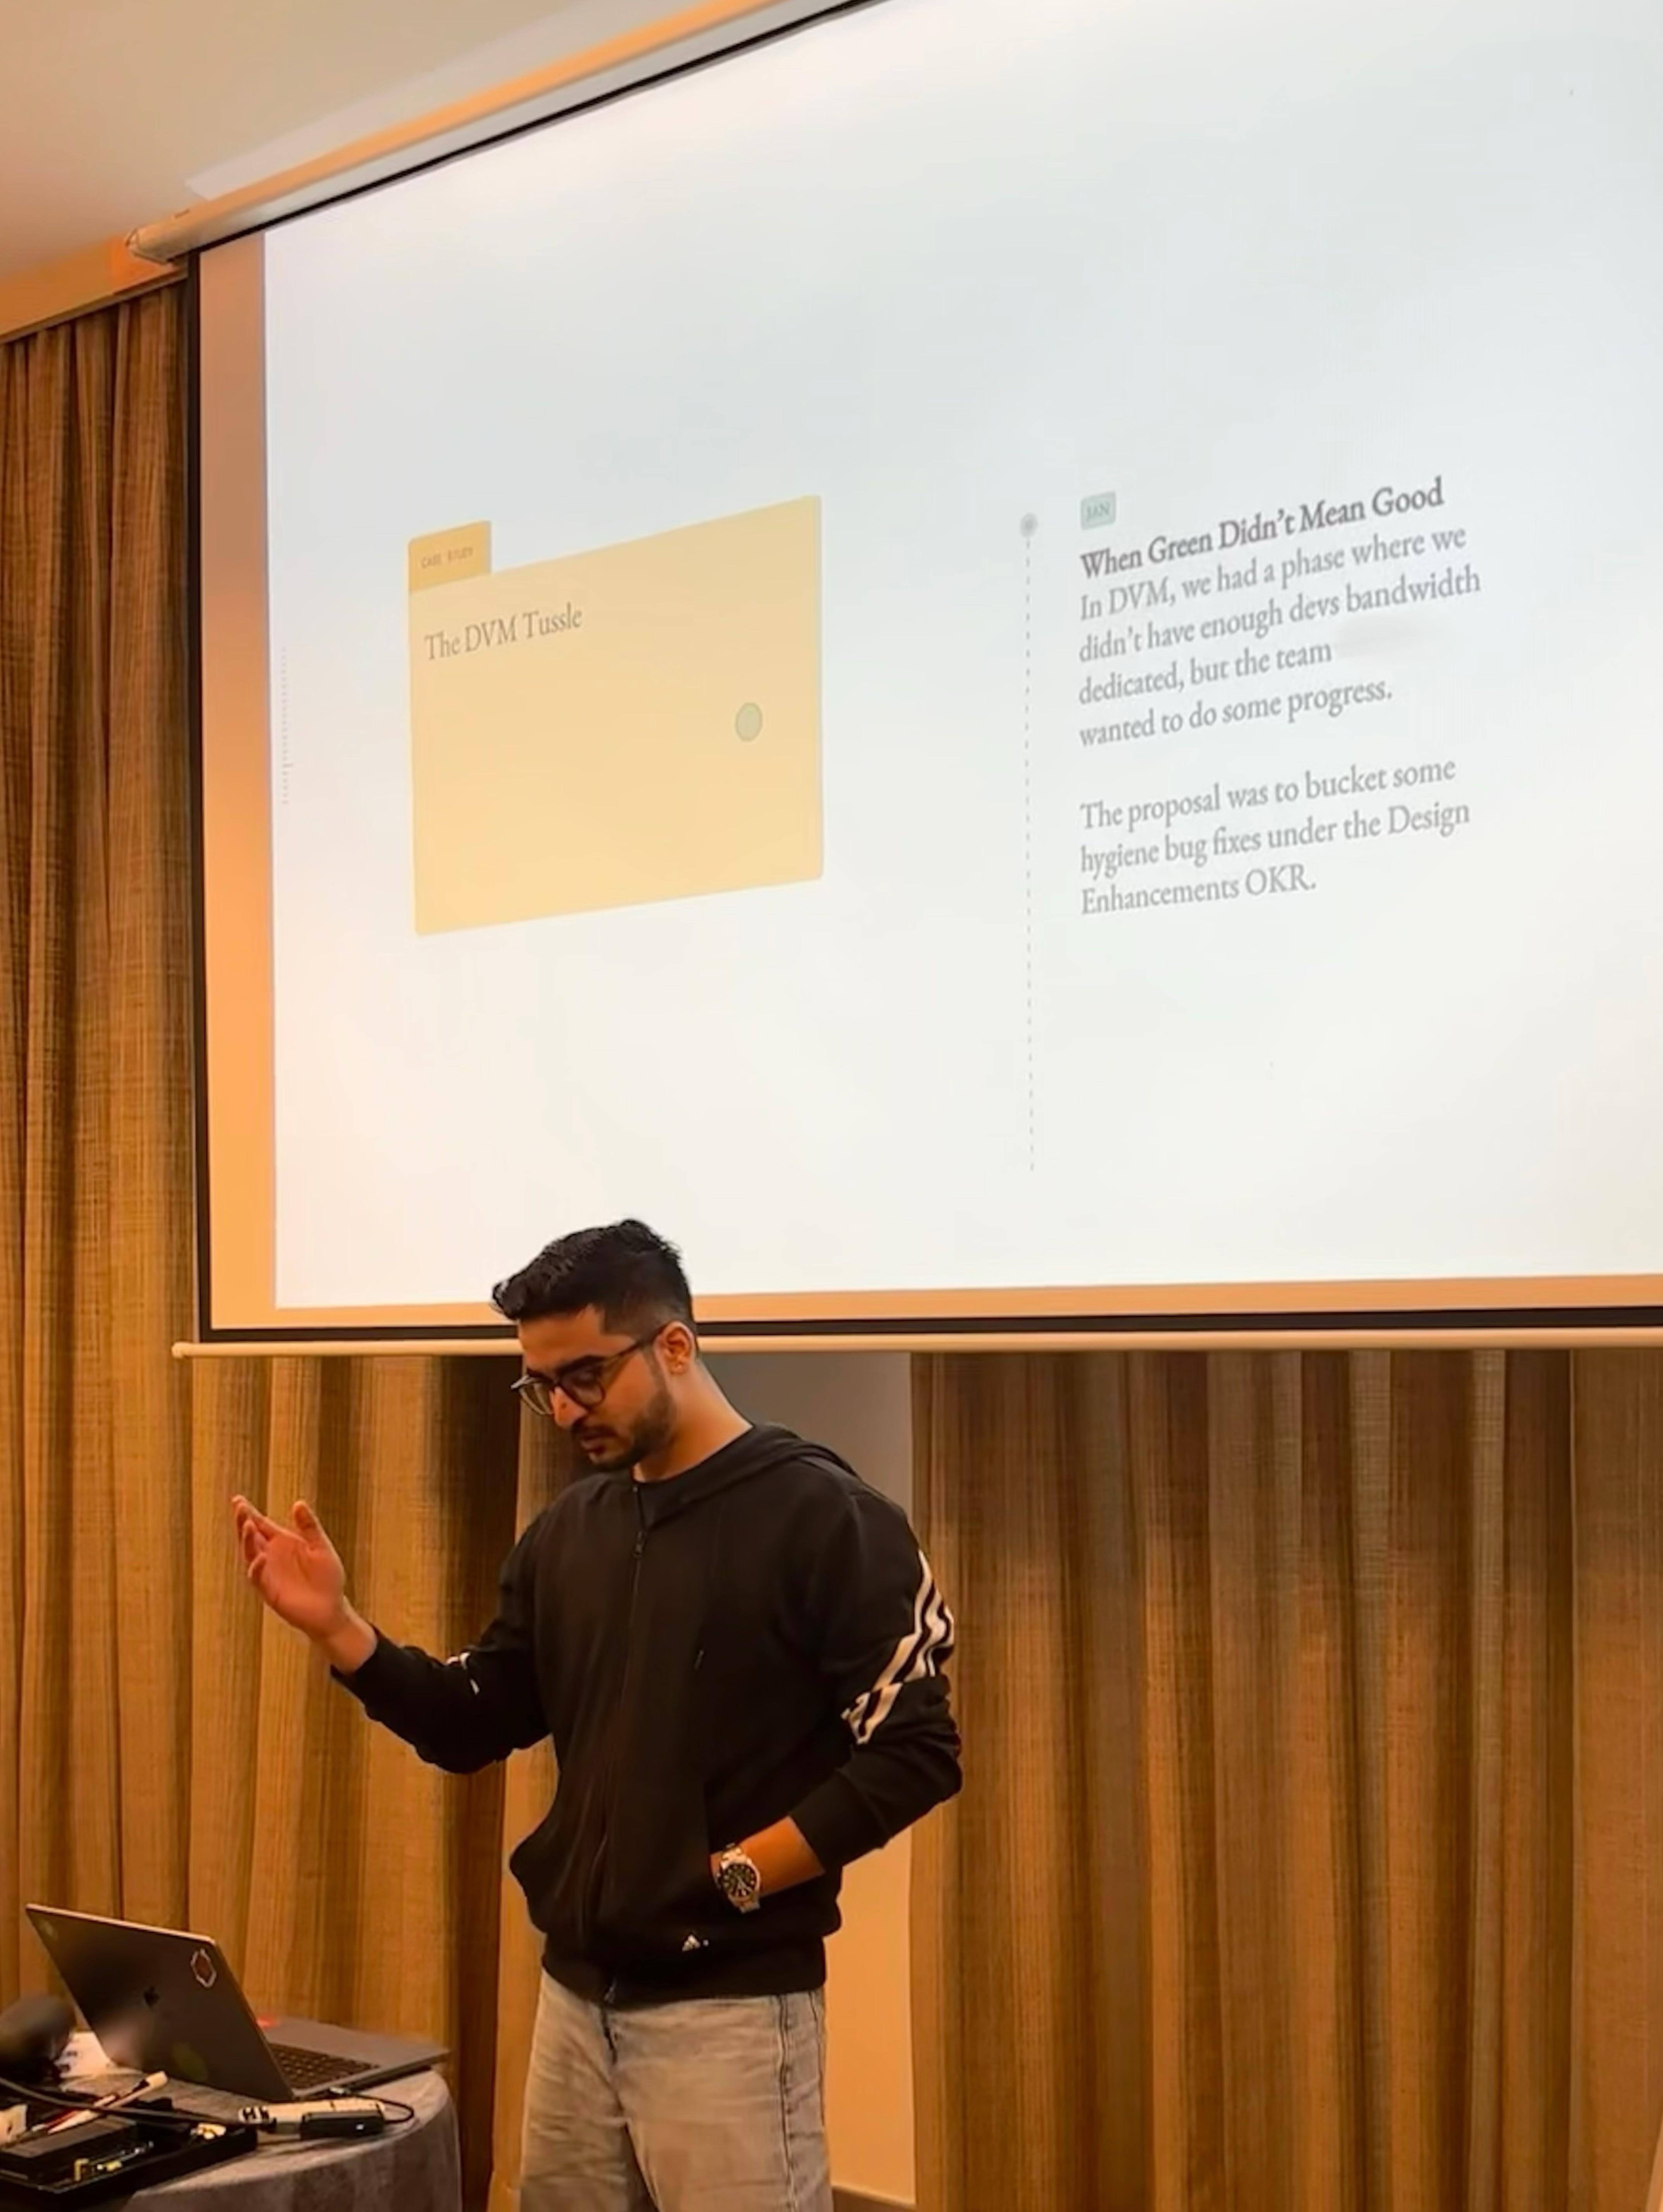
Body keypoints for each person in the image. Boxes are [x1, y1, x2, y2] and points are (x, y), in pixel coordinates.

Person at [232, 1219, 960, 2212]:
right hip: (574, 2004)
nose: (565, 1409)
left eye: (585, 1376)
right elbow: (473, 1721)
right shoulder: (569, 1531)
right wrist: (340, 1628)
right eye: (541, 1386)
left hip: (731, 2013)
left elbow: (915, 1749)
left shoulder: (825, 1517)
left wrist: (739, 1876)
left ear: (675, 1345)